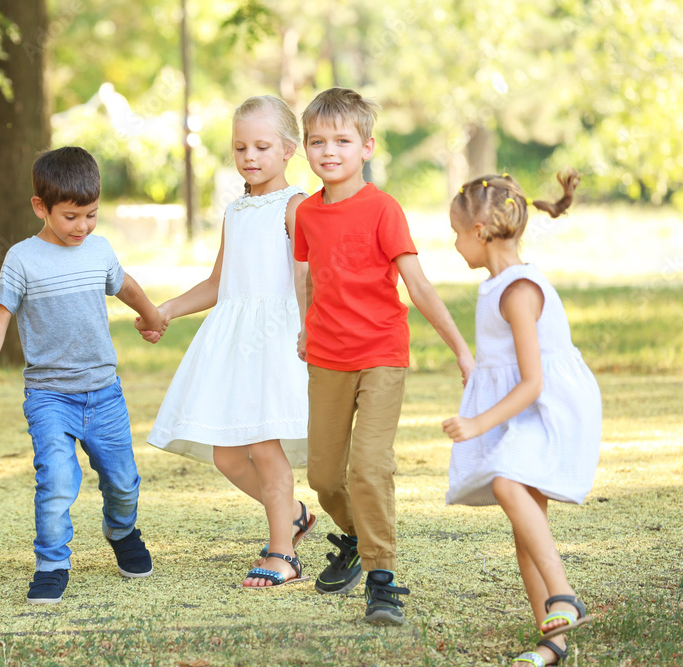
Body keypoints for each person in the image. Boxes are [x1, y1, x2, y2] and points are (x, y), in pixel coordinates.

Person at [294, 87, 475, 624]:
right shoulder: (305, 213)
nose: (330, 151)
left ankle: (382, 577)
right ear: (305, 147)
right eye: (318, 141)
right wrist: (305, 328)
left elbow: (416, 286)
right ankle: (353, 537)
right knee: (325, 478)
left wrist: (461, 350)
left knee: (369, 467)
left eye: (343, 141)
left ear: (367, 147)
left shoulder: (383, 209)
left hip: (381, 353)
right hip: (326, 356)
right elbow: (308, 278)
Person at [0, 146, 167, 605]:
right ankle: (52, 562)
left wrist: (152, 315)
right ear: (41, 207)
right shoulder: (22, 259)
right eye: (71, 216)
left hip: (104, 394)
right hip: (50, 396)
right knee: (56, 481)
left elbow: (125, 285)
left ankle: (121, 531)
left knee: (124, 481)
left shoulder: (99, 248)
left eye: (91, 215)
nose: (82, 227)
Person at [143, 95, 314, 588]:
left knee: (264, 445)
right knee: (227, 453)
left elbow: (305, 277)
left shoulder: (294, 206)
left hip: (277, 338)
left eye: (262, 146)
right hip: (234, 339)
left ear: (288, 150)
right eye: (241, 147)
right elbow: (220, 282)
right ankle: (296, 514)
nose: (250, 156)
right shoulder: (236, 210)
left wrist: (308, 328)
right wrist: (167, 310)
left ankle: (283, 552)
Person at [442, 170, 600, 667]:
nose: (453, 243)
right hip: (528, 406)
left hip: (552, 407)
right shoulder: (498, 286)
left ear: (481, 231)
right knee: (525, 529)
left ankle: (564, 594)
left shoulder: (518, 291)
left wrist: (479, 423)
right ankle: (551, 641)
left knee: (509, 483)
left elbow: (533, 382)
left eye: (456, 232)